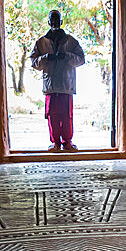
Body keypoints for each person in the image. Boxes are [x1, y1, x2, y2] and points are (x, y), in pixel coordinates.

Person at [30, 9, 86, 151]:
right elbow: (34, 63)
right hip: (50, 86)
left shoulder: (71, 42)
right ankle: (55, 143)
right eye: (52, 20)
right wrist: (46, 58)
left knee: (67, 116)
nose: (55, 22)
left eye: (57, 20)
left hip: (66, 85)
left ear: (61, 22)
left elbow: (81, 60)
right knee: (52, 116)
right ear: (49, 22)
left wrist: (67, 56)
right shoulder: (41, 42)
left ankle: (68, 143)